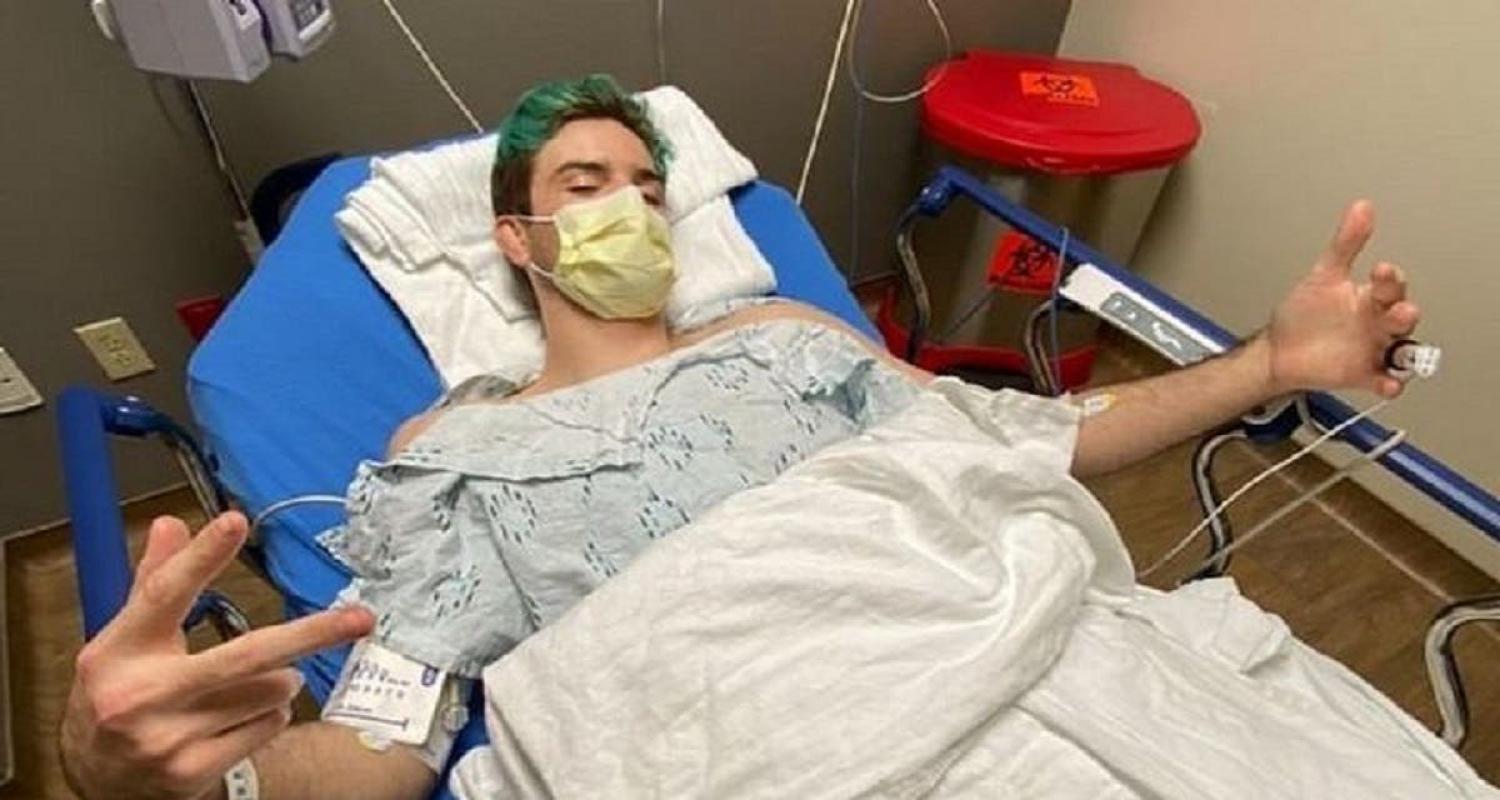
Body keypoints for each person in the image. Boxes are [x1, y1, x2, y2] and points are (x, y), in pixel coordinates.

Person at [58, 75, 1422, 800]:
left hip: (1061, 663)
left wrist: (1267, 365)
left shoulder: (790, 333)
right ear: (519, 241)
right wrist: (158, 782)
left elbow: (1035, 437)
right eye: (586, 183)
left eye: (650, 186)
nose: (633, 208)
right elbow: (382, 740)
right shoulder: (458, 448)